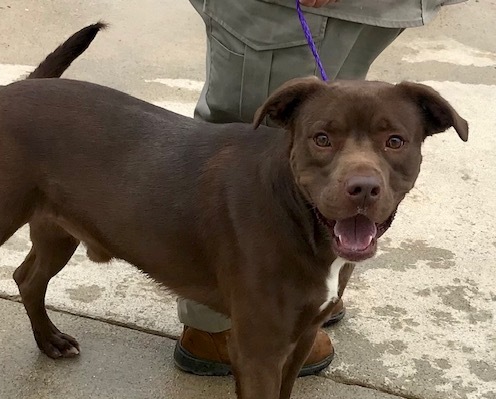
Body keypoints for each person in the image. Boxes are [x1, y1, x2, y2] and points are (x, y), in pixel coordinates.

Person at [174, 0, 466, 377]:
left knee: (342, 101)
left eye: (394, 142)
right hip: (285, 9)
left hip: (371, 8)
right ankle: (214, 327)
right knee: (245, 150)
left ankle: (306, 289)